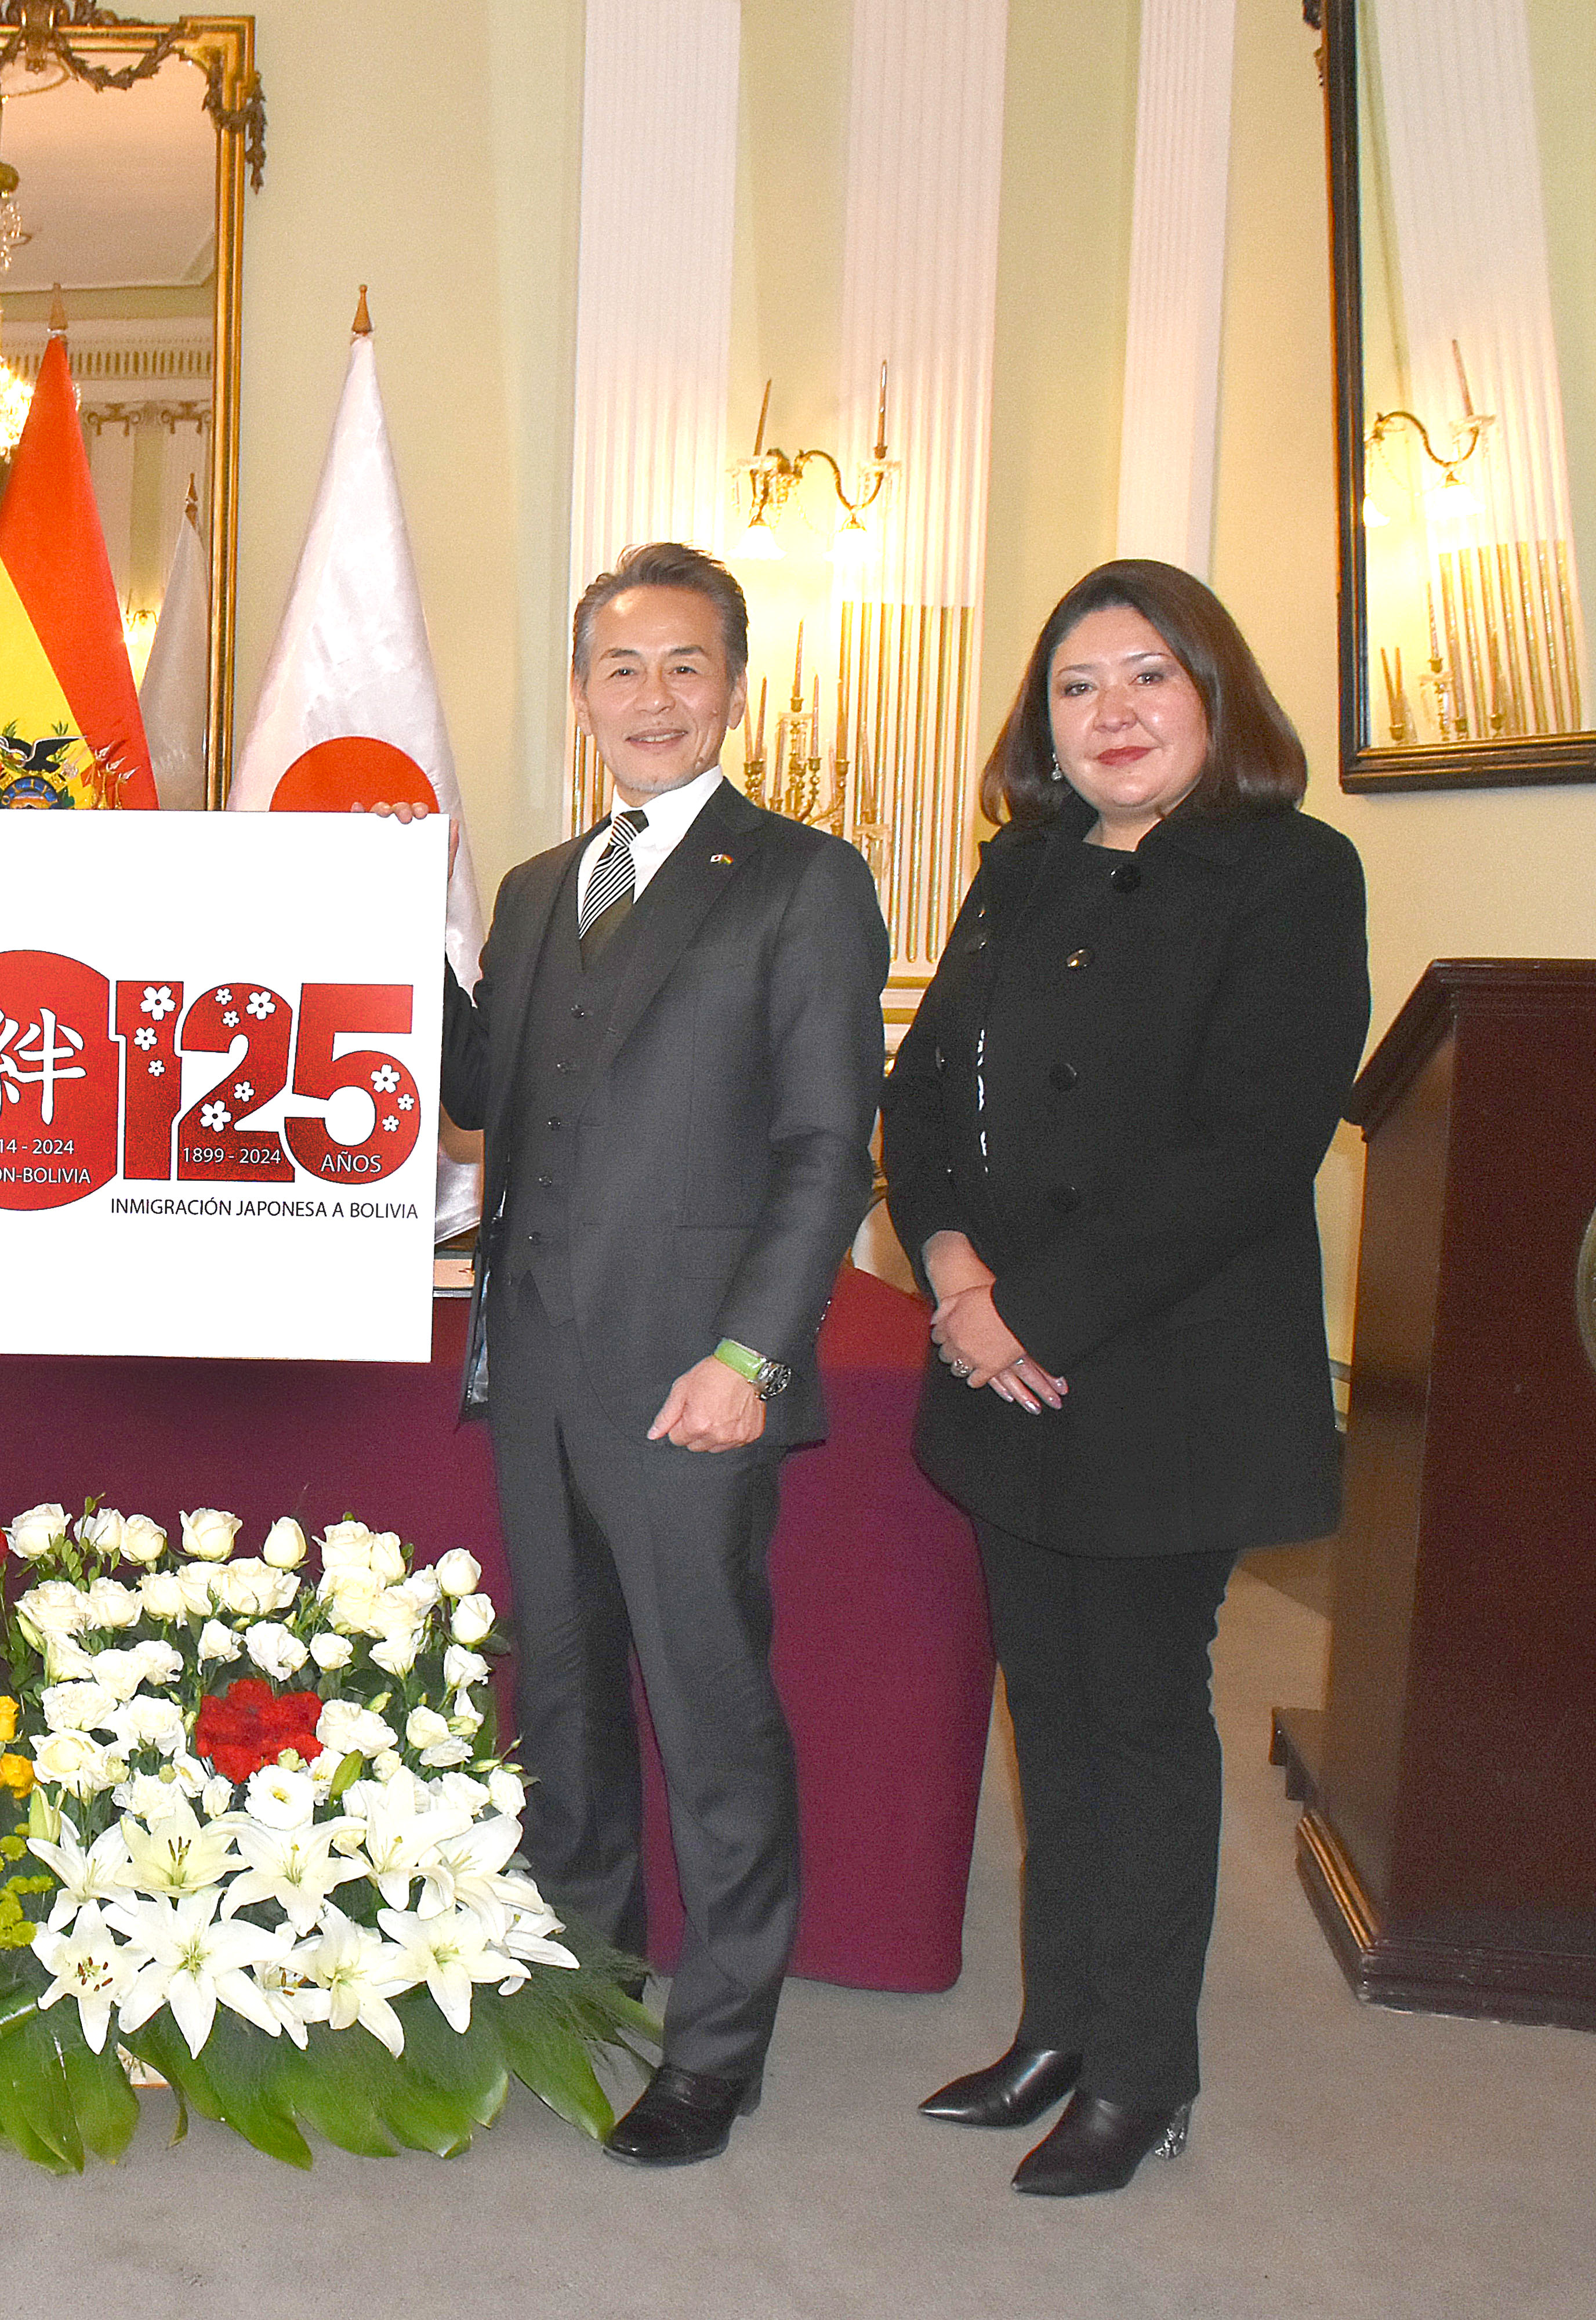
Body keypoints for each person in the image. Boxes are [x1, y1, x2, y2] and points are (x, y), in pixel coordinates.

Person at [883, 561, 1366, 2196]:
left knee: (1142, 1724)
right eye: (1080, 689)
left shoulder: (1294, 875)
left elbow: (1252, 1150)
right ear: (1047, 728)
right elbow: (923, 1095)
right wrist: (953, 1277)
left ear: (1215, 699)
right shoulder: (1020, 877)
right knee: (1054, 1712)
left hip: (1167, 1393)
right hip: (998, 1368)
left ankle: (1144, 2073)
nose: (1114, 715)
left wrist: (1034, 1318)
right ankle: (1060, 2030)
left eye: (1148, 678)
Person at [438, 541, 888, 2166]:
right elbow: (484, 1084)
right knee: (561, 1699)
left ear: (737, 691)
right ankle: (580, 1975)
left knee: (707, 1709)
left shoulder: (803, 880)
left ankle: (719, 2040)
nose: (652, 698)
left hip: (698, 1375)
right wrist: (371, 926)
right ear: (581, 698)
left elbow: (830, 1148)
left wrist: (753, 1360)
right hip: (541, 1370)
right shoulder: (542, 888)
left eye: (685, 667)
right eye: (620, 671)